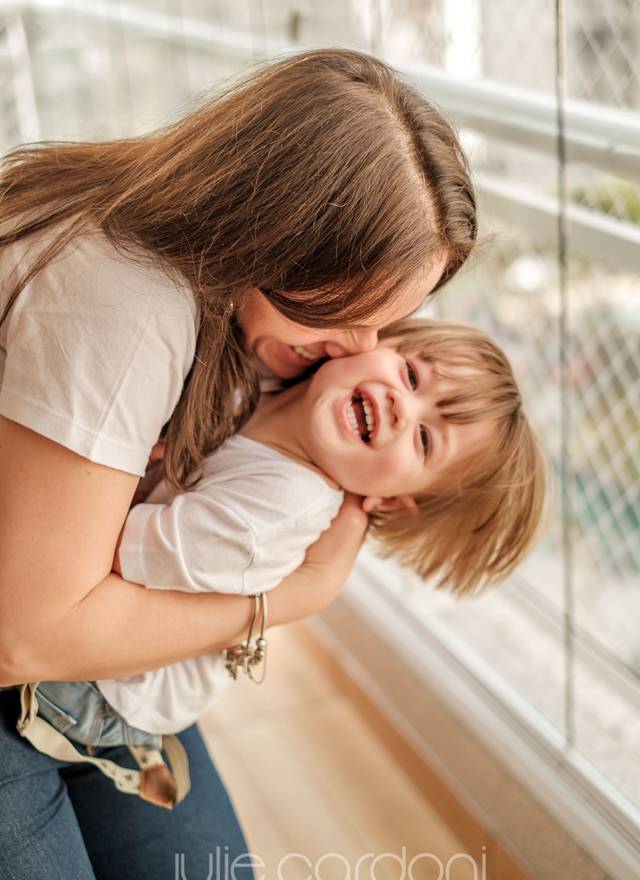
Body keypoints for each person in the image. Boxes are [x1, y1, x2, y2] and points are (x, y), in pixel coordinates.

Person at [0, 48, 476, 880]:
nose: (362, 350)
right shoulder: (128, 302)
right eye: (352, 312)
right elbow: (22, 638)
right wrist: (286, 600)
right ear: (274, 232)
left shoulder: (240, 315)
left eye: (392, 324)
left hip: (85, 672)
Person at [27, 318, 545, 808]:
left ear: (389, 501)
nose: (400, 407)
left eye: (425, 439)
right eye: (411, 374)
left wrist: (127, 449)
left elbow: (101, 548)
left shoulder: (276, 512)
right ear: (376, 340)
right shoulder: (268, 384)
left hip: (105, 694)